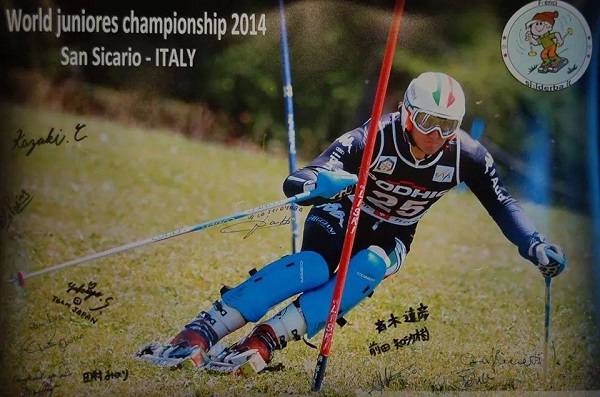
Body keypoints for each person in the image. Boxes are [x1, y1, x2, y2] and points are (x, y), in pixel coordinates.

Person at [136, 72, 566, 372]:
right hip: (344, 214)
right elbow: (297, 180)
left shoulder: (466, 155)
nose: (435, 134)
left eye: (447, 125)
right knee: (315, 267)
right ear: (406, 112)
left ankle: (265, 340)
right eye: (426, 120)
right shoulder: (376, 135)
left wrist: (534, 244)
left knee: (371, 267)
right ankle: (201, 331)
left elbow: (502, 202)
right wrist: (322, 182)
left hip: (395, 233)